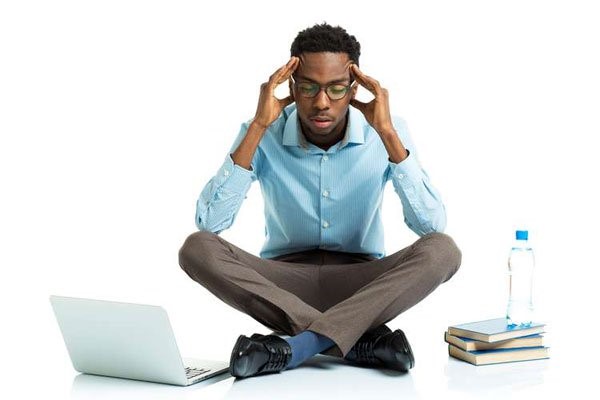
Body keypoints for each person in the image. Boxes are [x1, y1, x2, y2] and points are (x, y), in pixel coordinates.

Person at [178, 23, 461, 379]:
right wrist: (257, 129)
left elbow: (431, 227)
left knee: (443, 251)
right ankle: (356, 339)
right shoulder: (263, 129)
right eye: (309, 87)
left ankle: (299, 346)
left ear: (354, 88)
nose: (321, 102)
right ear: (291, 86)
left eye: (336, 88)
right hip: (282, 285)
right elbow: (210, 223)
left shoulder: (387, 130)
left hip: (362, 284)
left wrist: (388, 135)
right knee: (196, 249)